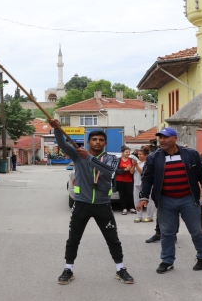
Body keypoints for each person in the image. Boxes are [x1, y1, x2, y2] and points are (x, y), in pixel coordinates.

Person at [49, 119, 134, 285]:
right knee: (73, 238)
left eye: (101, 140)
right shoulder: (77, 154)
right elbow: (62, 144)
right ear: (88, 142)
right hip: (81, 204)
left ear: (105, 143)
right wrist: (57, 129)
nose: (98, 142)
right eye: (94, 139)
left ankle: (120, 268)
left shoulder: (110, 158)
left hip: (103, 205)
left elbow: (107, 171)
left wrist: (88, 157)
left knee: (112, 239)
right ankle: (68, 268)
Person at [137, 127, 202, 274]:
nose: (162, 140)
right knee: (167, 233)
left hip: (189, 199)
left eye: (165, 137)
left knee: (196, 231)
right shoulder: (154, 157)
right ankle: (167, 261)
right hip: (165, 200)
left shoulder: (191, 154)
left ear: (175, 138)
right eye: (160, 138)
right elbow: (147, 179)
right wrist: (143, 197)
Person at [133, 146, 155, 223]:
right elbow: (132, 172)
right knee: (136, 201)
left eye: (141, 154)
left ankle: (149, 217)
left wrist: (136, 166)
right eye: (138, 154)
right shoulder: (137, 162)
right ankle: (139, 217)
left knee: (148, 201)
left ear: (145, 155)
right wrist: (133, 165)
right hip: (136, 184)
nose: (139, 156)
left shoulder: (147, 163)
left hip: (145, 185)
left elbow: (142, 173)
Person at [116, 146, 136, 215]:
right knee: (122, 194)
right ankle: (124, 208)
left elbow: (132, 172)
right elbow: (115, 170)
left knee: (130, 194)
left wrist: (132, 167)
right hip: (120, 179)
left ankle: (132, 208)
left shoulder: (131, 160)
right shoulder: (118, 160)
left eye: (129, 152)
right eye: (126, 152)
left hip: (129, 179)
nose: (128, 153)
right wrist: (124, 170)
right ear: (122, 152)